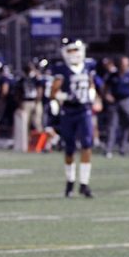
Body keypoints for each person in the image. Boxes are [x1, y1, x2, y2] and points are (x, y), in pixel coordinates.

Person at [51, 39, 96, 198]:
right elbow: (54, 90)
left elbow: (91, 83)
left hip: (84, 110)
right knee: (69, 148)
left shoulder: (88, 66)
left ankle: (84, 183)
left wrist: (93, 93)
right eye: (69, 51)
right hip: (69, 111)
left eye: (75, 50)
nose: (73, 54)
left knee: (87, 145)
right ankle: (70, 181)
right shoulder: (61, 69)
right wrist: (58, 97)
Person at [13, 63, 43, 152]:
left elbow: (40, 89)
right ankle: (27, 145)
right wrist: (20, 103)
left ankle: (41, 144)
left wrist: (38, 101)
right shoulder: (22, 80)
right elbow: (18, 92)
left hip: (35, 101)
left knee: (37, 123)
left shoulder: (36, 78)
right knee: (25, 125)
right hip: (26, 102)